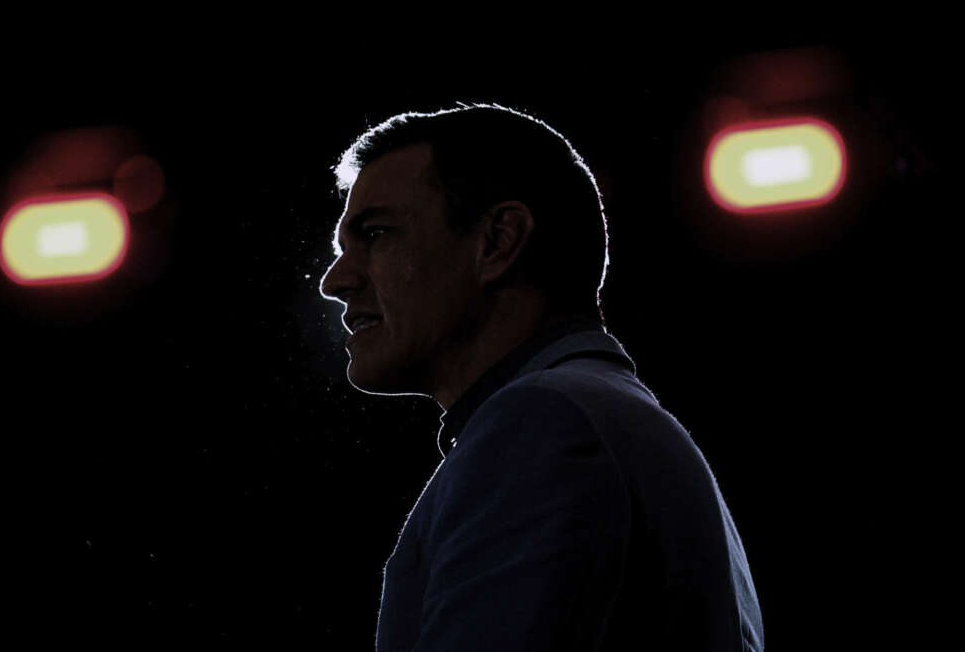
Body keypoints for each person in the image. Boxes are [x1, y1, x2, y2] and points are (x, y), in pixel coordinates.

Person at [319, 103, 764, 651]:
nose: (335, 281)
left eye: (376, 233)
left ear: (498, 242)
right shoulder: (600, 416)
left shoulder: (546, 425)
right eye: (343, 247)